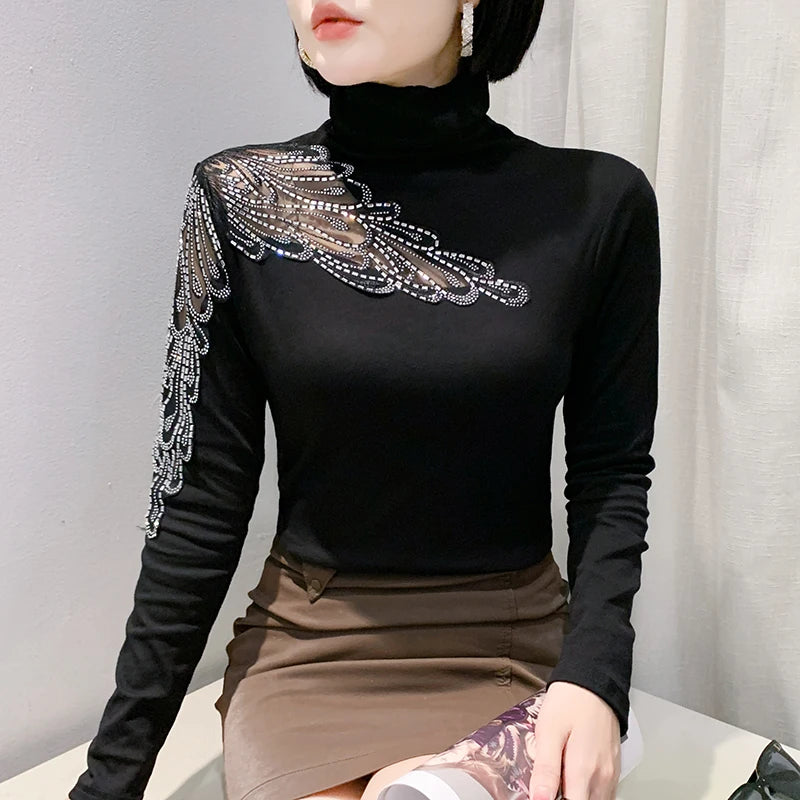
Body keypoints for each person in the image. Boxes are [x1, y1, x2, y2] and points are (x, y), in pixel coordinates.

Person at [67, 1, 661, 799]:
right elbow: (199, 504)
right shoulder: (240, 198)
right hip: (308, 643)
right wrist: (108, 784)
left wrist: (595, 679)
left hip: (511, 638)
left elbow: (611, 474)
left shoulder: (597, 202)